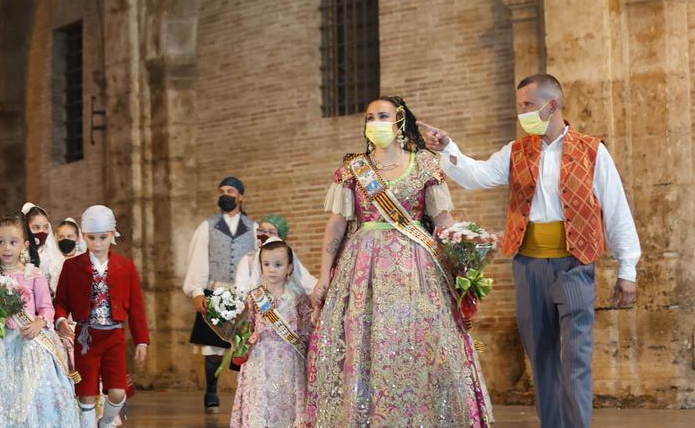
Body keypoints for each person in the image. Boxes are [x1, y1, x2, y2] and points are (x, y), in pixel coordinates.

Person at [419, 74, 641, 428]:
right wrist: (448, 148)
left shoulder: (592, 150)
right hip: (529, 265)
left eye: (528, 105)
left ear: (551, 105)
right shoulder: (516, 151)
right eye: (520, 105)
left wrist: (628, 267)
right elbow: (477, 176)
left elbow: (615, 208)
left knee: (576, 355)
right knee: (541, 355)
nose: (521, 112)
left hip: (575, 263)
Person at [307, 96, 491, 426]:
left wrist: (466, 253)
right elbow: (335, 226)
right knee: (365, 344)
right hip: (364, 271)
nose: (375, 122)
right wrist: (323, 276)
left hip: (418, 270)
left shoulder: (424, 164)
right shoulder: (354, 168)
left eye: (383, 115)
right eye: (370, 117)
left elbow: (443, 220)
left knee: (420, 343)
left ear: (399, 121)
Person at [0, 216, 79, 427]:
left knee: (32, 397)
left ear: (25, 245)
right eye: (1, 242)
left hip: (28, 346)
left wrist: (38, 323)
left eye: (13, 242)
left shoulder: (33, 275)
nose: (7, 248)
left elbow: (46, 307)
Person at [55, 205, 149, 428]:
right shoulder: (71, 267)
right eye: (91, 238)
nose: (97, 244)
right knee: (86, 393)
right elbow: (60, 302)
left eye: (103, 238)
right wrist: (60, 320)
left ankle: (106, 420)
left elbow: (136, 307)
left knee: (117, 391)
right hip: (85, 338)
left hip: (114, 336)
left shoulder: (125, 267)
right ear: (83, 237)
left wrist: (141, 340)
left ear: (113, 235)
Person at [181, 176, 256, 412]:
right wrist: (196, 290)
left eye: (231, 190)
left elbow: (257, 262)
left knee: (244, 345)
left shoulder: (253, 228)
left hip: (242, 293)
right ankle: (211, 392)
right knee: (213, 347)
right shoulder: (208, 226)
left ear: (240, 196)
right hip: (215, 290)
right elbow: (198, 260)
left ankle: (245, 392)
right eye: (222, 190)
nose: (225, 194)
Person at [230, 240, 313, 428]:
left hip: (290, 361)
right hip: (260, 360)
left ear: (290, 268)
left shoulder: (299, 299)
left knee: (287, 406)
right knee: (260, 403)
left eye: (278, 265)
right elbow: (247, 327)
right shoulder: (255, 296)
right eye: (266, 264)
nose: (271, 270)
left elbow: (307, 332)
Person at [233, 214, 316, 293]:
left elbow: (307, 282)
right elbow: (240, 290)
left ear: (280, 237)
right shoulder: (248, 259)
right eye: (261, 230)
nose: (265, 234)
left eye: (271, 232)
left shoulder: (288, 256)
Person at [23, 203, 67, 293]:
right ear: (26, 227)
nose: (42, 232)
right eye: (36, 227)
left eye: (45, 227)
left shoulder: (54, 256)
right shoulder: (19, 253)